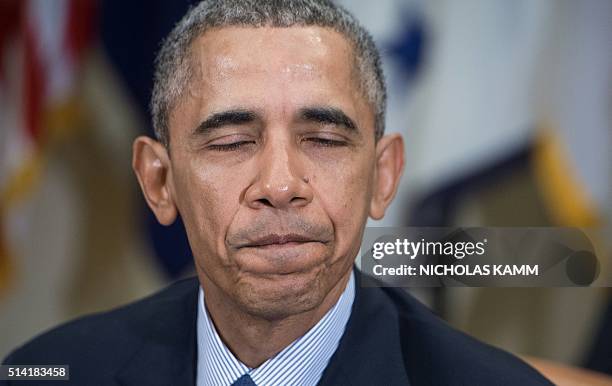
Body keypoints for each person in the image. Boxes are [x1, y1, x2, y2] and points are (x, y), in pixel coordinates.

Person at [2, 1, 552, 385]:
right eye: (233, 141)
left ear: (383, 176)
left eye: (324, 139)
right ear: (159, 181)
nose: (281, 185)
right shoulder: (53, 370)